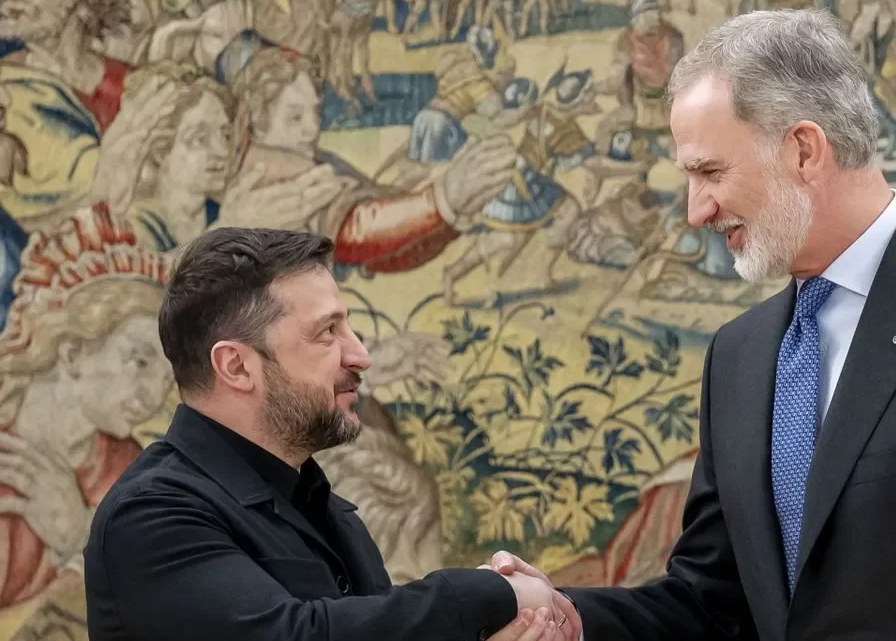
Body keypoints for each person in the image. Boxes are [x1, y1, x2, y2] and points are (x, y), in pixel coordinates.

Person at [487, 8, 896, 640]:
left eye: (710, 172)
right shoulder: (737, 357)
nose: (695, 210)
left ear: (804, 149)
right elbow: (716, 602)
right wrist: (571, 619)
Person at [82, 227, 583, 641]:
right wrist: (484, 596)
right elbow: (292, 636)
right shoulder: (151, 514)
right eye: (328, 333)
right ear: (236, 365)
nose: (359, 355)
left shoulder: (328, 509)